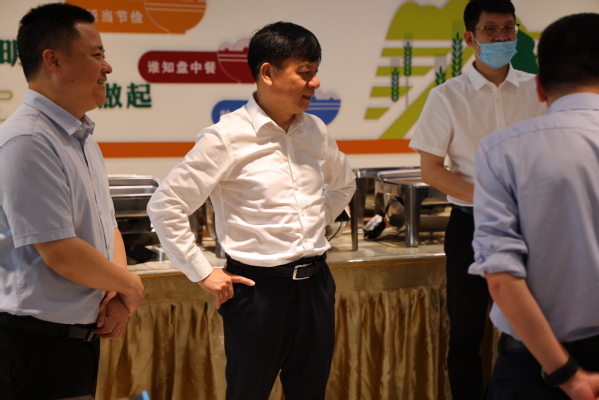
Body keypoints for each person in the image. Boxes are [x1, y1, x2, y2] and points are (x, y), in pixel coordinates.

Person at [147, 21, 356, 400]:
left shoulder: (315, 130)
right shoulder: (226, 137)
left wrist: (313, 222)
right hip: (258, 291)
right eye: (304, 73)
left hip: (317, 286)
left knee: (310, 393)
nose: (315, 83)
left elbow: (344, 184)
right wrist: (201, 271)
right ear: (268, 73)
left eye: (316, 71)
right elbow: (165, 206)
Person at [0, 4, 144, 399]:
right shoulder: (28, 140)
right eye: (96, 55)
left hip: (77, 340)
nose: (107, 68)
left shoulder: (81, 137)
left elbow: (107, 224)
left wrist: (115, 294)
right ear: (53, 61)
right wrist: (130, 286)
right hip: (34, 342)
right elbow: (61, 251)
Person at [408, 0, 546, 398]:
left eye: (508, 28)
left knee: (531, 331)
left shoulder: (538, 90)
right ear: (470, 38)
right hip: (471, 226)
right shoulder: (446, 97)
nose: (501, 37)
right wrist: (492, 199)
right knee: (467, 335)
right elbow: (431, 170)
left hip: (531, 227)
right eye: (490, 29)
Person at [469, 12, 599, 400]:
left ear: (539, 88)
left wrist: (569, 377)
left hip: (532, 371)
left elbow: (501, 278)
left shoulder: (502, 150)